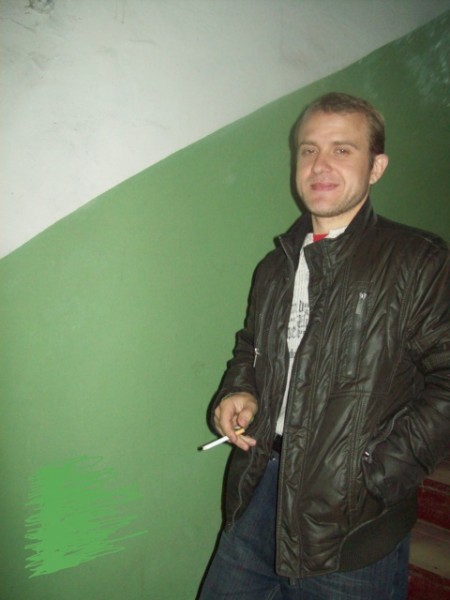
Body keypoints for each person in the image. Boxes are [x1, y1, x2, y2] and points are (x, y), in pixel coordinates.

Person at [198, 92, 450, 600]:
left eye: (342, 149)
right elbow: (250, 346)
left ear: (376, 167)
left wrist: (375, 472)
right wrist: (238, 390)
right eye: (308, 149)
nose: (320, 164)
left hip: (351, 527)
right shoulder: (275, 267)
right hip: (256, 497)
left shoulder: (418, 261)